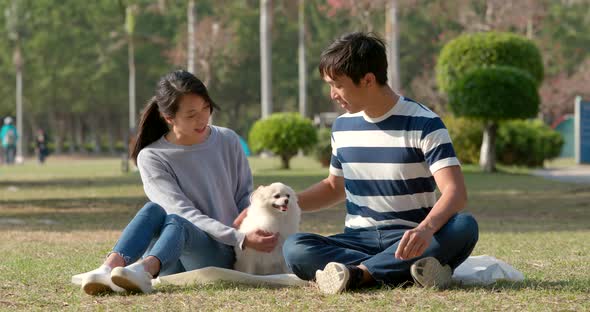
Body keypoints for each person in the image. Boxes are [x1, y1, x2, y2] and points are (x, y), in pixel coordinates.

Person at [281, 32, 479, 294]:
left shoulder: (424, 123)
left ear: (368, 80)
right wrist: (284, 204)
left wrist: (425, 230)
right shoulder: (342, 127)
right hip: (356, 241)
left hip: (409, 238)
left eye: (337, 85)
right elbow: (334, 187)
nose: (332, 95)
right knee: (295, 247)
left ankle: (359, 274)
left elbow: (455, 193)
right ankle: (403, 271)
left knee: (464, 227)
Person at [79, 70, 278, 295]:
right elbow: (182, 211)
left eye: (205, 108)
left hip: (221, 252)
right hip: (169, 259)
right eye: (191, 114)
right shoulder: (152, 156)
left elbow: (244, 195)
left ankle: (143, 272)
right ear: (168, 117)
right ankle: (108, 268)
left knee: (178, 221)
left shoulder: (228, 140)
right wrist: (240, 237)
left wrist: (247, 233)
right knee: (155, 209)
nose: (202, 118)